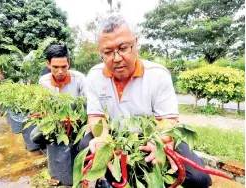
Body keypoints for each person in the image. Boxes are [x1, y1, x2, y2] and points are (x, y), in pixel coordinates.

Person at [79, 14, 212, 188]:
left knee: (199, 178)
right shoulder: (94, 76)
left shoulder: (158, 74)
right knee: (86, 145)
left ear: (135, 43)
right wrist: (104, 139)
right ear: (100, 53)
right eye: (108, 52)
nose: (117, 58)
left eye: (123, 48)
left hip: (152, 136)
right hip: (116, 137)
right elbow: (95, 116)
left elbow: (168, 121)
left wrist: (159, 140)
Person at [31, 44, 86, 146]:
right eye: (55, 67)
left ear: (68, 63)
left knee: (83, 142)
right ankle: (55, 145)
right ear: (48, 64)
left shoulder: (79, 78)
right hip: (56, 121)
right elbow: (44, 107)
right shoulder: (44, 81)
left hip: (76, 121)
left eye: (64, 67)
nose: (60, 71)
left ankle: (73, 143)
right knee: (35, 136)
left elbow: (87, 104)